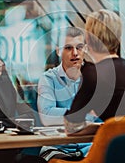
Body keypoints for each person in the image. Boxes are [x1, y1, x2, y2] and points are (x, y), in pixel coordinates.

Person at [64, 9, 125, 135]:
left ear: (88, 39)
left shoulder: (93, 74)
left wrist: (103, 128)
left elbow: (72, 127)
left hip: (118, 152)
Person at [37, 27, 93, 161]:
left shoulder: (96, 77)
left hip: (90, 148)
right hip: (58, 148)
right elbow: (46, 116)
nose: (75, 53)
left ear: (85, 48)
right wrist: (83, 115)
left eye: (79, 47)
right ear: (58, 51)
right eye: (68, 48)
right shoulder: (48, 79)